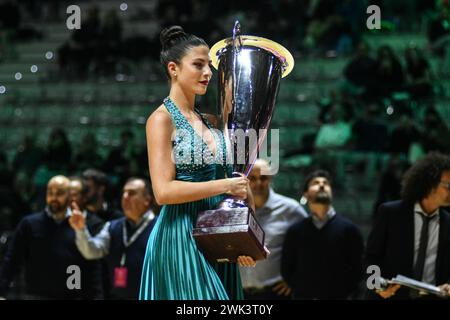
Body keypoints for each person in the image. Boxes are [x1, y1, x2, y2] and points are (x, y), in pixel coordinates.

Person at [139, 25, 257, 300]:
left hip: (217, 238)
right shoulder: (161, 119)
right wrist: (225, 184)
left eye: (210, 65)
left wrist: (244, 238)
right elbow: (163, 192)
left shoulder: (211, 122)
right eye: (198, 65)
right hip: (181, 238)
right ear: (173, 69)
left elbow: (237, 184)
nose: (208, 73)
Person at [0, 175, 103, 299]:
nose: (54, 198)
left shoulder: (80, 224)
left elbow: (92, 267)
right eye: (50, 192)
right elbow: (11, 260)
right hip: (35, 295)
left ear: (70, 196)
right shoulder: (29, 223)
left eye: (59, 193)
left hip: (71, 295)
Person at [366, 152, 450, 299]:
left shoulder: (449, 223)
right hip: (389, 297)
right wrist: (377, 286)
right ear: (430, 184)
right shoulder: (390, 213)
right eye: (448, 185)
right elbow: (371, 258)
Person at [281, 170, 364, 299]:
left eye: (326, 183)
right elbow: (287, 269)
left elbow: (358, 269)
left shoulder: (350, 229)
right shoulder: (295, 231)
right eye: (316, 183)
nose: (321, 185)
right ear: (306, 194)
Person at [69, 178, 157, 299]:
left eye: (131, 193)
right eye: (124, 193)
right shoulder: (112, 226)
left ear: (147, 200)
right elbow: (92, 251)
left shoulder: (160, 228)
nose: (125, 197)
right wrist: (81, 229)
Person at [239, 159, 307, 300]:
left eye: (263, 178)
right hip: (239, 294)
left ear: (270, 178)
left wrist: (295, 279)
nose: (258, 183)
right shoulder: (235, 208)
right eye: (253, 178)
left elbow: (311, 244)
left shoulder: (290, 209)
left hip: (275, 294)